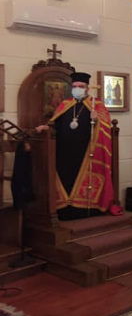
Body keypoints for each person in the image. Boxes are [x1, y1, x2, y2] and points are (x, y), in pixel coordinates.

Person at [35, 72, 114, 220]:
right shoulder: (65, 104)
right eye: (75, 86)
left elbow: (106, 127)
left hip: (86, 151)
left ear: (87, 88)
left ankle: (84, 210)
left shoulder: (96, 105)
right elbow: (56, 124)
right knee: (66, 178)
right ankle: (65, 209)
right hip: (65, 150)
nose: (77, 89)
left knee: (82, 179)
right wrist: (46, 127)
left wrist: (97, 120)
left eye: (81, 86)